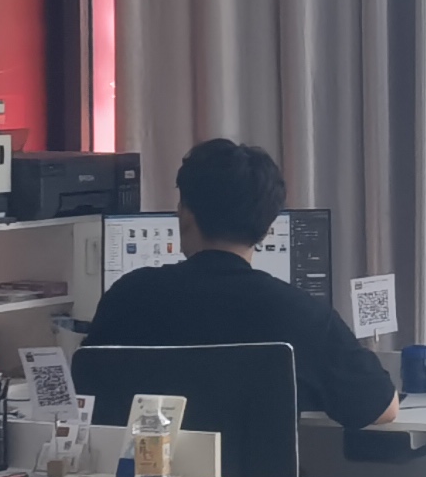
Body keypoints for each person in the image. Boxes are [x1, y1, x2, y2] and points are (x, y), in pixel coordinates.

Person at [86, 138, 399, 431]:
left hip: (150, 471)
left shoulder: (127, 297)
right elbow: (381, 408)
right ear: (267, 226)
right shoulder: (303, 315)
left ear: (186, 214)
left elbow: (86, 395)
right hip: (259, 476)